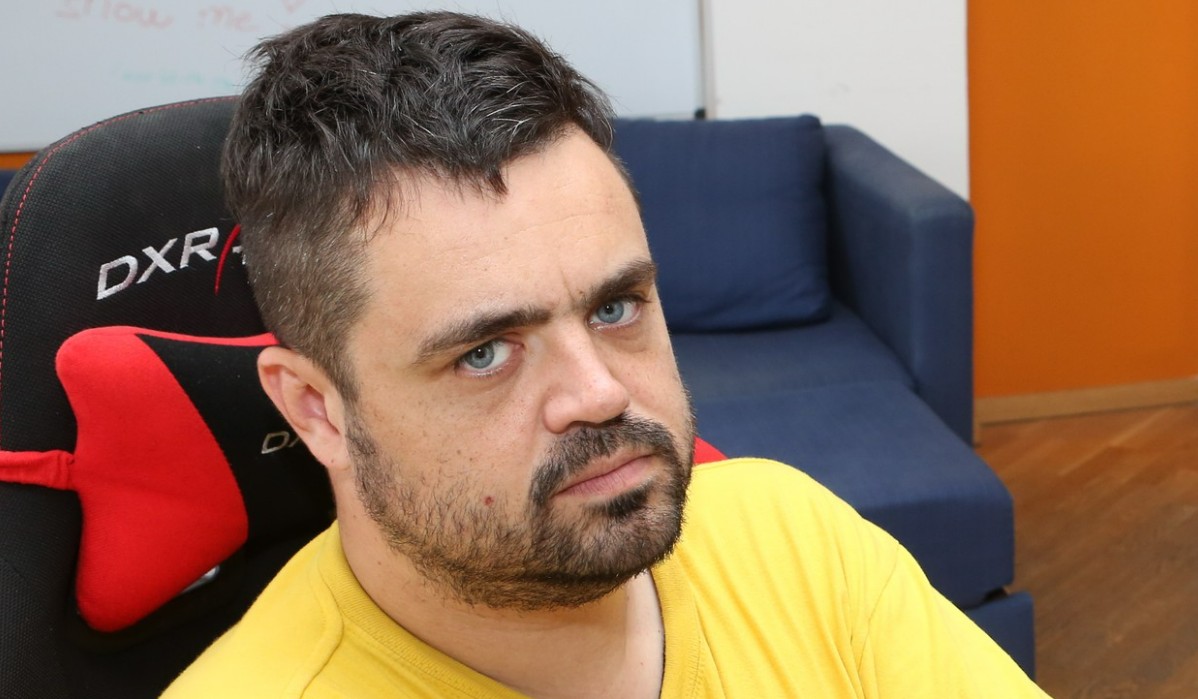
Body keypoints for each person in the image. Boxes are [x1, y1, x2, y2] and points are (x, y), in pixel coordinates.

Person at [164, 11, 1048, 698]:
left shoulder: (794, 535)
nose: (598, 392)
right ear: (316, 409)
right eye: (485, 353)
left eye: (616, 307)